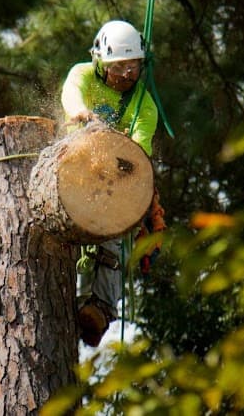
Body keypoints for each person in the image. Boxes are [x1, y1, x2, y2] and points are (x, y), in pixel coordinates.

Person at [61, 19, 166, 347]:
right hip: (75, 171)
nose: (125, 75)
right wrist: (80, 114)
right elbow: (71, 94)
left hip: (115, 180)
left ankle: (101, 310)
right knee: (73, 239)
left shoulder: (143, 105)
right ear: (100, 63)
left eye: (132, 68)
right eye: (118, 67)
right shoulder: (83, 75)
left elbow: (138, 150)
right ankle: (73, 298)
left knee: (116, 235)